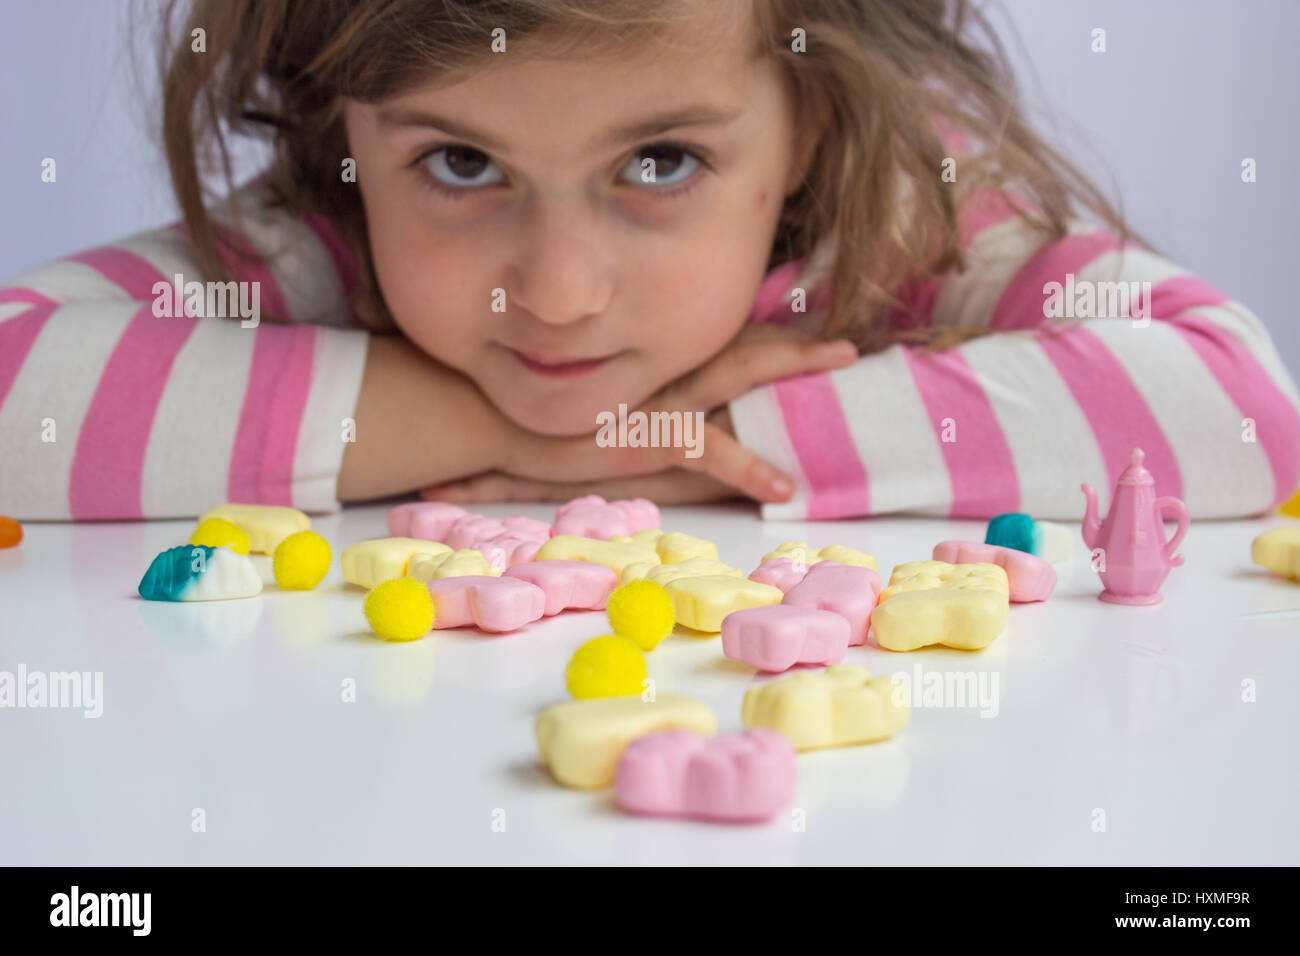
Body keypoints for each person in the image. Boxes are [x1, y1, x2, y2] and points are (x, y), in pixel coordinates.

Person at [2, 0, 1296, 522]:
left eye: (661, 163)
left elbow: (1244, 409)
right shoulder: (326, 236)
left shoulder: (907, 213)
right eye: (460, 166)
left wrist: (722, 432)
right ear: (344, 131)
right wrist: (521, 434)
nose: (557, 292)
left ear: (809, 127)